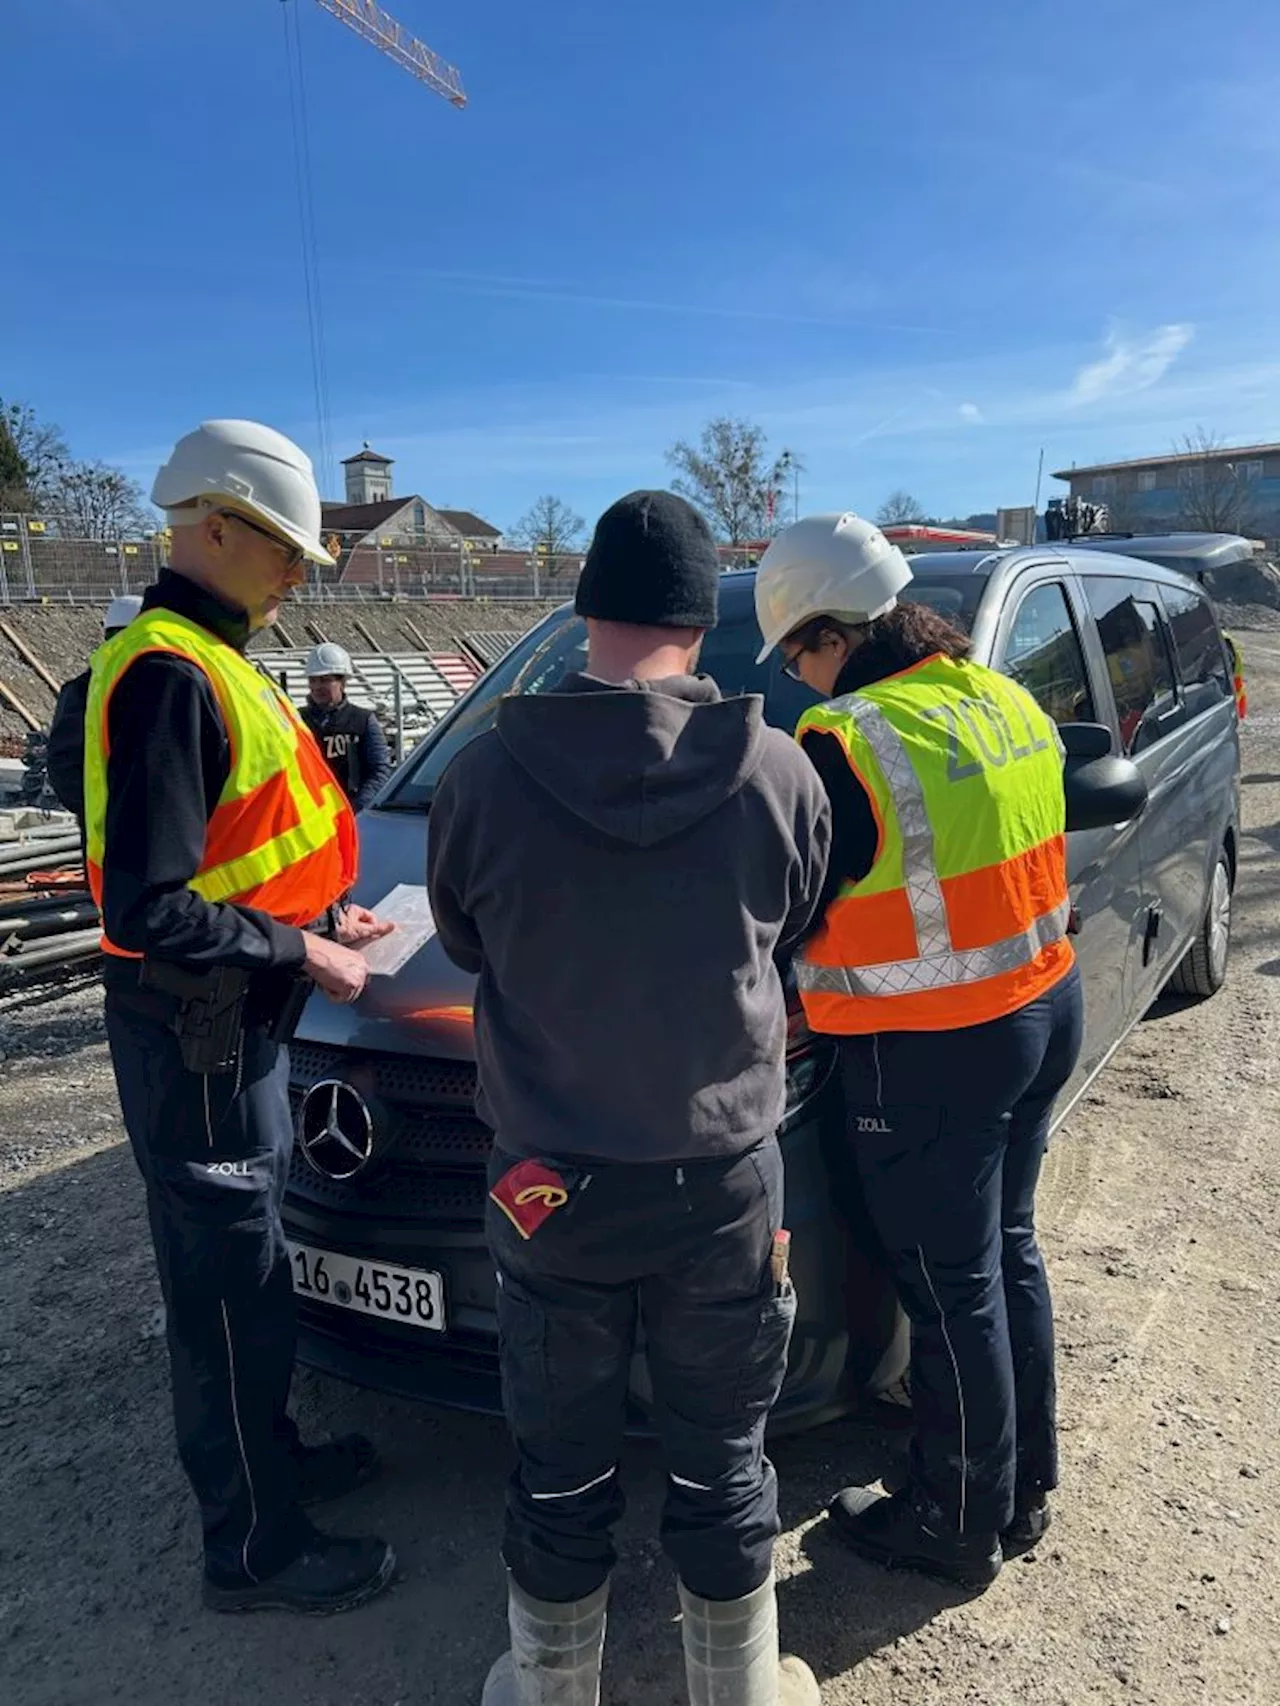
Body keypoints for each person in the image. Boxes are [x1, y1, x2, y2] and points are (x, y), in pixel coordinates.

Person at [428, 491, 831, 1706]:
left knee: (557, 1459)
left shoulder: (485, 776)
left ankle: (551, 1689)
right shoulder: (777, 771)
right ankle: (742, 1690)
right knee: (722, 1452)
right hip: (720, 1177)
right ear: (700, 622)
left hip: (547, 1182)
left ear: (582, 610)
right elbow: (792, 924)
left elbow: (462, 938)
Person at [85, 419, 399, 1615]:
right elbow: (150, 903)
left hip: (236, 1015)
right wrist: (299, 945)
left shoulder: (215, 656)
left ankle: (275, 1464)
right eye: (281, 550)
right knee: (228, 1284)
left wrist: (324, 911)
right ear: (213, 525)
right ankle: (254, 1545)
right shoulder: (170, 673)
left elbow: (236, 853)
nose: (294, 575)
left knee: (252, 1266)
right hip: (197, 1027)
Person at [755, 513, 1084, 1591]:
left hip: (930, 1042)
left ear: (829, 633)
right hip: (1040, 1005)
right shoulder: (1002, 698)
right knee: (1003, 1253)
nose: (801, 684)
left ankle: (949, 1518)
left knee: (949, 1287)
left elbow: (787, 909)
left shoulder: (843, 740)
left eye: (798, 657)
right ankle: (1019, 1486)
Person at [46, 594, 143, 822]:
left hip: (101, 831)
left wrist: (94, 811)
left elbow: (63, 766)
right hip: (138, 826)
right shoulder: (159, 686)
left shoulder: (82, 688)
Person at [299, 643, 393, 810]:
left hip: (350, 810)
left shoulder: (363, 720)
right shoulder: (296, 720)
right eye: (312, 680)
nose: (317, 686)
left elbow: (380, 770)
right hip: (308, 814)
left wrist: (355, 809)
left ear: (342, 682)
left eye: (325, 680)